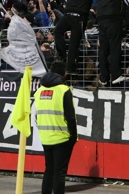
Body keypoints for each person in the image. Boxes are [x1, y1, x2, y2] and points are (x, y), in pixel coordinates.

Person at [34, 61, 77, 194]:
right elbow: (70, 116)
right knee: (59, 173)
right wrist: (73, 135)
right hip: (62, 137)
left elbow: (36, 115)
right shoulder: (64, 90)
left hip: (45, 137)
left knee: (49, 171)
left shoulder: (39, 91)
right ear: (63, 74)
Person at [53, 0, 98, 74]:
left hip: (67, 15)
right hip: (79, 19)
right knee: (74, 45)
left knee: (57, 32)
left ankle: (62, 54)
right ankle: (70, 68)